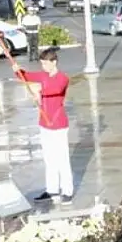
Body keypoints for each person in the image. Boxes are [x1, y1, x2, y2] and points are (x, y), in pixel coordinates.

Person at [18, 48, 74, 203]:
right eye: (41, 63)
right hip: (44, 124)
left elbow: (55, 89)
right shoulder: (42, 75)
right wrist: (18, 70)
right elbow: (26, 76)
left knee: (62, 159)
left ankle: (67, 191)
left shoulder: (63, 78)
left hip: (58, 124)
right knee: (49, 159)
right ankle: (52, 190)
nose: (43, 67)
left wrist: (40, 90)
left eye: (45, 63)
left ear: (54, 62)